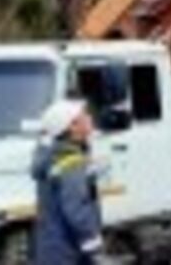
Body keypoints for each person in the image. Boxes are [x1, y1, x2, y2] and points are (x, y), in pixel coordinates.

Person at [31, 100, 105, 265]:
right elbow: (76, 207)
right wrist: (92, 241)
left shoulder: (53, 157)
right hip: (70, 251)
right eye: (83, 116)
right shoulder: (71, 161)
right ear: (72, 127)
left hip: (52, 248)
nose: (90, 117)